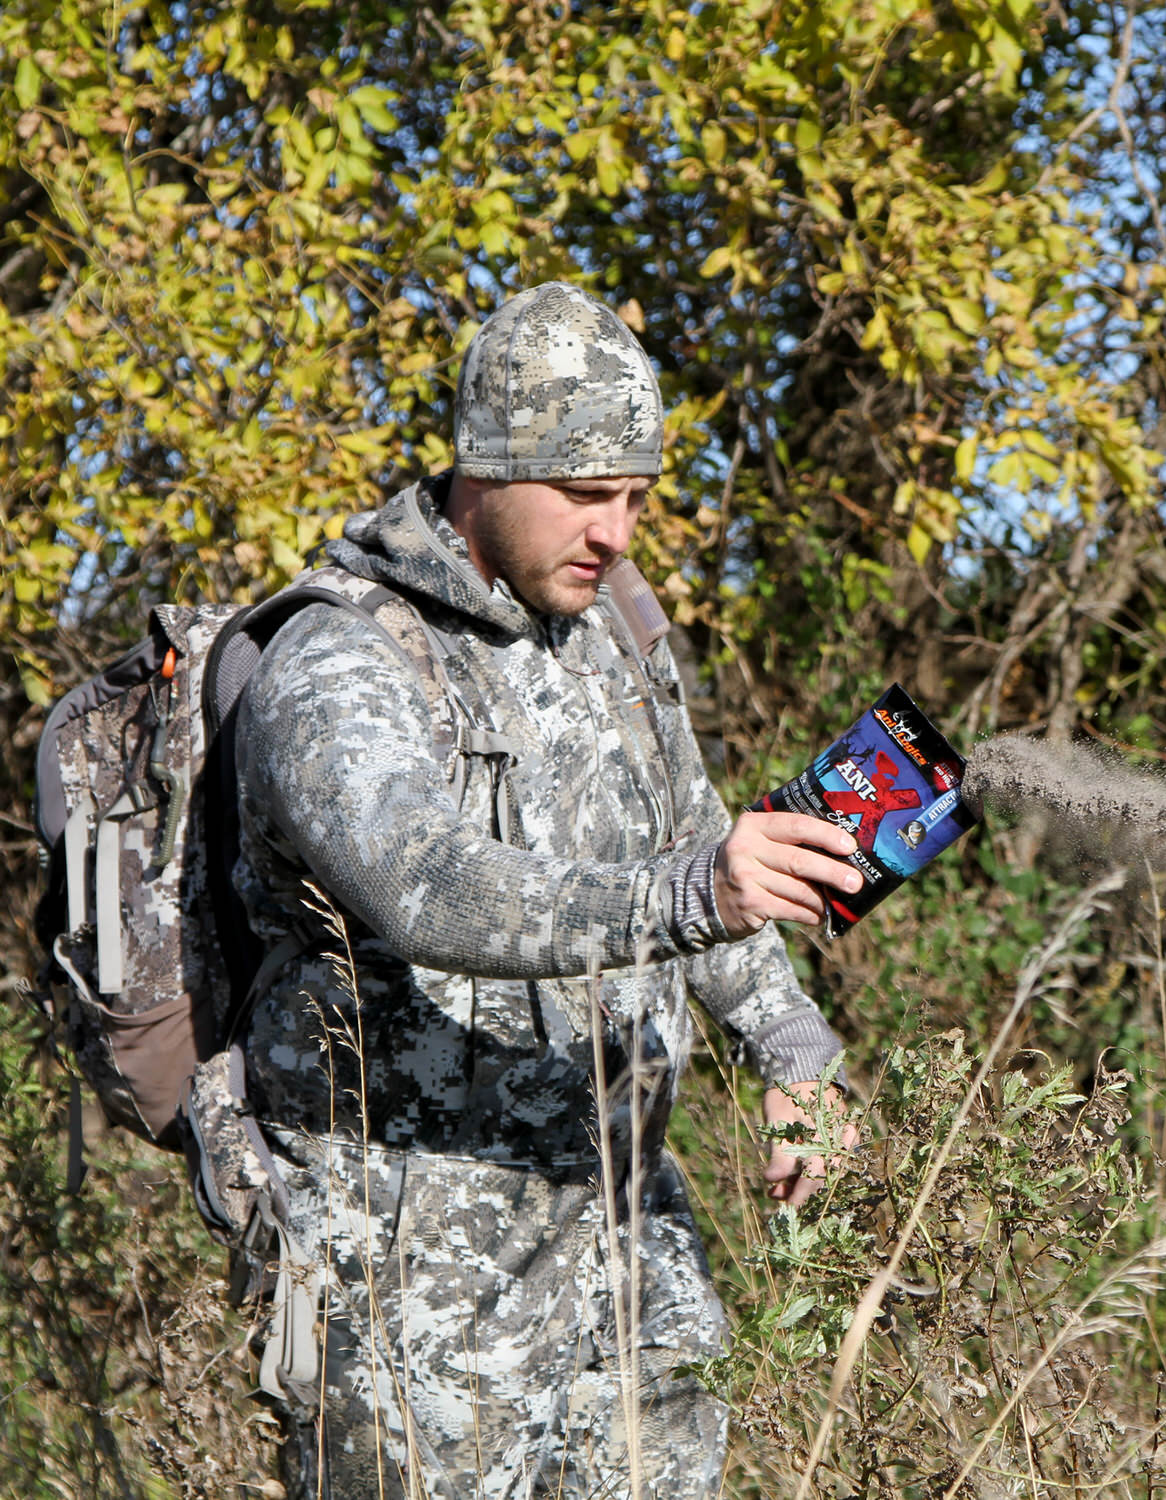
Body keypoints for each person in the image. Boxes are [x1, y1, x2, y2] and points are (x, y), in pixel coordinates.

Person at [225, 281, 860, 1498]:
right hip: (413, 1284)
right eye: (581, 494)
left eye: (633, 497)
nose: (615, 532)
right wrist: (686, 897)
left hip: (626, 1241)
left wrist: (788, 1044)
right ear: (482, 470)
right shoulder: (339, 654)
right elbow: (424, 885)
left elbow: (700, 850)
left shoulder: (607, 633)